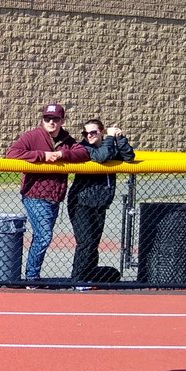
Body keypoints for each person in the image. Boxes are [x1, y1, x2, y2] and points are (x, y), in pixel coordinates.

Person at [5, 103, 89, 281]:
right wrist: (42, 155)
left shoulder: (66, 140)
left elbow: (83, 153)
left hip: (54, 196)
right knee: (44, 236)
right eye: (47, 118)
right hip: (34, 194)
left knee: (42, 236)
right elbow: (12, 153)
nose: (51, 122)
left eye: (55, 119)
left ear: (62, 121)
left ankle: (32, 275)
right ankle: (32, 277)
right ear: (43, 119)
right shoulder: (32, 136)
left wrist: (63, 155)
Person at [67, 119, 135, 284]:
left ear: (101, 132)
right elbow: (101, 157)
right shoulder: (83, 148)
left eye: (93, 132)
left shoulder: (109, 146)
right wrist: (110, 139)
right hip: (81, 202)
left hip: (100, 202)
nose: (89, 136)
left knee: (93, 243)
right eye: (86, 133)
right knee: (86, 242)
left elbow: (129, 157)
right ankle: (78, 280)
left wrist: (120, 138)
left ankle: (88, 275)